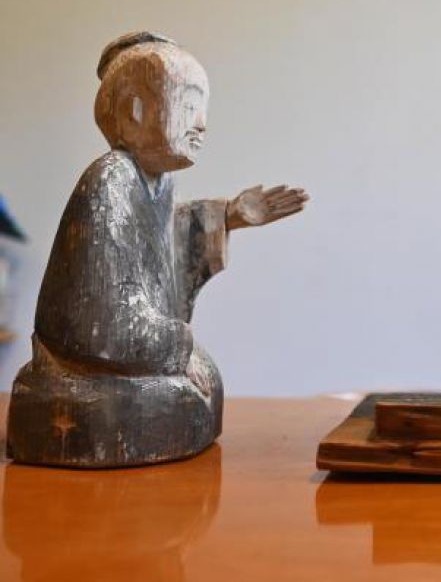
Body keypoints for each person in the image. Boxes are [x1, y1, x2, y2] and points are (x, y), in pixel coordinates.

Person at [6, 32, 309, 467]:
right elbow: (98, 317)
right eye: (188, 105)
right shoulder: (109, 179)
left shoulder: (160, 183)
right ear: (134, 110)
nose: (201, 123)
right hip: (89, 365)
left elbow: (171, 234)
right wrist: (177, 343)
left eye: (203, 108)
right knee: (161, 390)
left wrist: (229, 216)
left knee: (200, 378)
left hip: (137, 349)